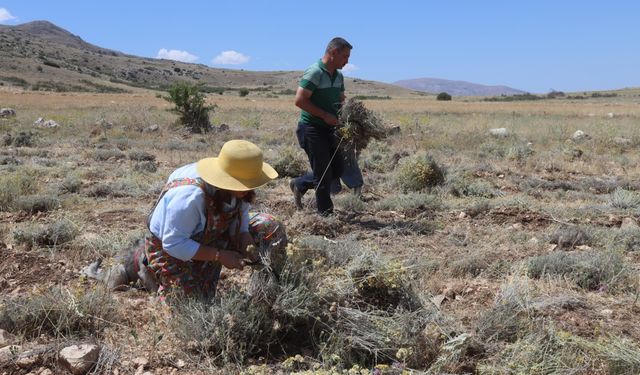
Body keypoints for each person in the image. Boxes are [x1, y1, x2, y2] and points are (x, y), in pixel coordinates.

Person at [140, 139, 286, 299]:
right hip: (171, 248)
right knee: (193, 308)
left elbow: (241, 218)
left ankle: (269, 292)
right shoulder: (191, 197)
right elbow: (173, 243)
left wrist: (247, 244)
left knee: (269, 226)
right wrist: (220, 256)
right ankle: (144, 269)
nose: (248, 188)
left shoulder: (239, 188)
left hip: (211, 236)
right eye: (243, 184)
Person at [290, 37, 353, 215]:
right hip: (311, 128)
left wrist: (347, 116)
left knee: (337, 170)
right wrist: (325, 115)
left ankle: (300, 183)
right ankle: (325, 216)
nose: (347, 61)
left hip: (330, 129)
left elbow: (340, 100)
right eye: (345, 57)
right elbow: (300, 100)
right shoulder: (315, 72)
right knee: (323, 175)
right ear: (333, 53)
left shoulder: (339, 76)